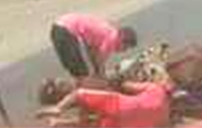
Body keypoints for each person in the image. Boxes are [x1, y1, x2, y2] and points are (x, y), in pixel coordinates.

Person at [36, 77, 173, 128]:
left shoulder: (155, 89)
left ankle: (58, 108)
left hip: (119, 105)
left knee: (80, 94)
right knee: (93, 124)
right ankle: (60, 123)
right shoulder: (165, 118)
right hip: (120, 125)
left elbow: (126, 85)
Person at [51, 13, 137, 80]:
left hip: (58, 27)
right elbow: (100, 60)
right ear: (122, 39)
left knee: (76, 69)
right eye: (125, 48)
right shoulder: (112, 38)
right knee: (81, 73)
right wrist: (102, 76)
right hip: (66, 30)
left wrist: (97, 71)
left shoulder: (104, 34)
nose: (123, 51)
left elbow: (92, 54)